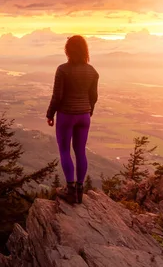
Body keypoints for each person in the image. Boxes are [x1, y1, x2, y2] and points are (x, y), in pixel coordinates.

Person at [46, 35, 99, 204]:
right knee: (80, 151)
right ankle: (79, 190)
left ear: (68, 50)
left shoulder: (63, 70)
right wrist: (89, 111)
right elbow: (94, 96)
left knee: (64, 150)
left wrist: (50, 114)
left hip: (66, 115)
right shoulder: (92, 72)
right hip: (84, 115)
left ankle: (70, 190)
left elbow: (57, 96)